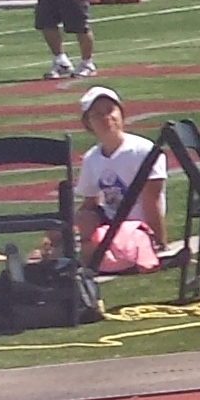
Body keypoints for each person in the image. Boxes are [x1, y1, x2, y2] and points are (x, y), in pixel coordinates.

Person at [71, 85, 168, 272]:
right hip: (110, 225)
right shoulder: (92, 157)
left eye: (110, 110)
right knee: (83, 219)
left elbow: (152, 200)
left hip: (139, 228)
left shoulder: (143, 151)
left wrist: (160, 240)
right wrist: (54, 235)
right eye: (97, 114)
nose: (107, 117)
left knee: (92, 251)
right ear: (88, 123)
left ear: (121, 113)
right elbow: (89, 203)